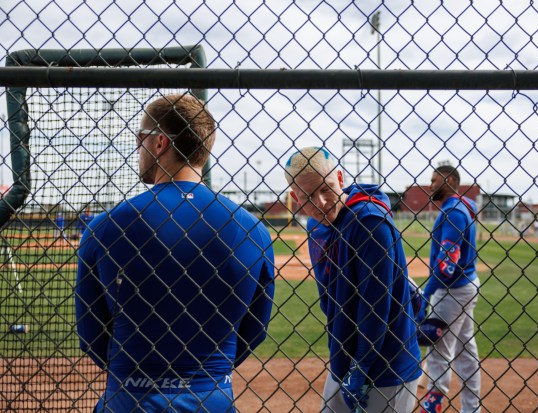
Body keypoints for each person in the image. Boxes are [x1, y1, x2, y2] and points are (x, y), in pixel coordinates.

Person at [75, 94, 275, 412]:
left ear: (159, 142)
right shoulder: (253, 230)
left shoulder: (107, 226)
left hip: (130, 397)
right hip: (212, 397)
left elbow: (90, 334)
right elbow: (255, 329)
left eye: (139, 138)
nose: (136, 149)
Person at [284, 147, 422, 413]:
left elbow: (375, 307)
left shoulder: (370, 222)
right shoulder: (316, 226)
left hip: (386, 365)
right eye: (308, 196)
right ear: (295, 198)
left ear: (340, 177)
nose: (321, 202)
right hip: (344, 360)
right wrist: (345, 364)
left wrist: (361, 367)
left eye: (326, 189)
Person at [416, 165, 480, 413]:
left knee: (438, 354)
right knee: (466, 353)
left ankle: (431, 409)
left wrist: (426, 293)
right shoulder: (463, 207)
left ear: (450, 180)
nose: (430, 185)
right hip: (466, 285)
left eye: (435, 180)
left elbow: (446, 264)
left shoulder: (453, 212)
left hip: (452, 290)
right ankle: (471, 409)